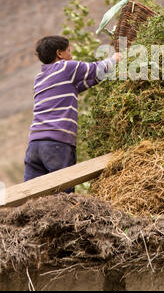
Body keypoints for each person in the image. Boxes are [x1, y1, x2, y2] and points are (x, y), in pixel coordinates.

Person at [24, 35, 119, 189]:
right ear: (59, 54)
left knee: (30, 196)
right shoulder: (66, 67)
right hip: (57, 143)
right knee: (63, 198)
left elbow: (81, 84)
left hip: (34, 145)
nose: (71, 55)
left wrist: (101, 77)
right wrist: (115, 58)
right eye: (69, 51)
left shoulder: (40, 78)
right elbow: (96, 69)